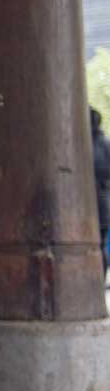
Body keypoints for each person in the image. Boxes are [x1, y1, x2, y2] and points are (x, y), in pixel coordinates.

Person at [92, 107, 110, 279]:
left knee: (98, 246)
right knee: (100, 245)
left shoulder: (88, 146)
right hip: (103, 205)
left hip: (96, 206)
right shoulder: (105, 144)